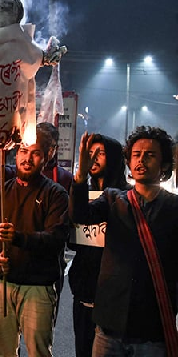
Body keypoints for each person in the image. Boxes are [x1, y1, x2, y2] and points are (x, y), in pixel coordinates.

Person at [70, 127, 178, 356]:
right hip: (109, 326)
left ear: (165, 165)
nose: (141, 160)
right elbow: (79, 216)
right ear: (128, 162)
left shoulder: (173, 207)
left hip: (152, 328)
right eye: (136, 155)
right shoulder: (113, 198)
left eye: (150, 155)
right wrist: (80, 176)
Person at [0, 127, 70, 356]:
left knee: (39, 350)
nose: (28, 158)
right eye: (23, 151)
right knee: (3, 350)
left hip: (38, 286)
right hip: (2, 283)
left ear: (46, 156)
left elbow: (56, 239)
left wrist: (18, 237)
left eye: (36, 153)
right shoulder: (0, 193)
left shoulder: (56, 194)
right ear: (15, 153)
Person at [67, 134, 129, 357]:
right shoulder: (81, 193)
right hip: (84, 292)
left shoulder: (127, 196)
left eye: (100, 153)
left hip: (113, 298)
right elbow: (74, 239)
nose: (93, 158)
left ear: (113, 158)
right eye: (90, 153)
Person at [0, 122, 73, 192]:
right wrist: (7, 144)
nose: (47, 150)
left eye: (50, 146)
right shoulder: (21, 172)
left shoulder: (65, 178)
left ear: (56, 149)